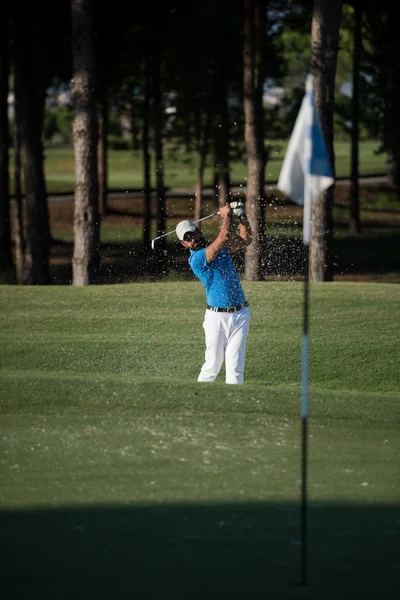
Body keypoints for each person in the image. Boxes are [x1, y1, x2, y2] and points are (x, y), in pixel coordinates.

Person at [176, 201, 252, 384]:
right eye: (187, 237)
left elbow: (246, 239)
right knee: (212, 366)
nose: (192, 238)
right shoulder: (197, 260)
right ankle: (199, 402)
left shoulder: (218, 247)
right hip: (217, 319)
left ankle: (233, 408)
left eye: (193, 232)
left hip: (241, 314)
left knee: (235, 369)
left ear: (198, 230)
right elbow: (223, 237)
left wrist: (241, 215)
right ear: (183, 244)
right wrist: (226, 215)